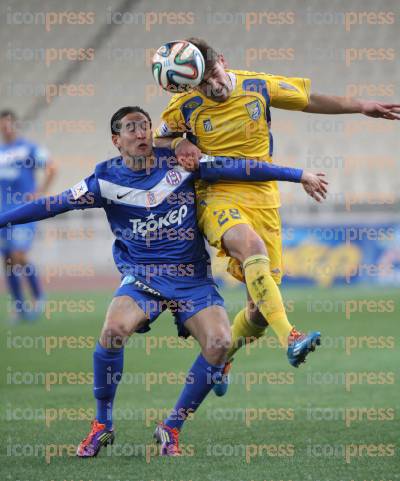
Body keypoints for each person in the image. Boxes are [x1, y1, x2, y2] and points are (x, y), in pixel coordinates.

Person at [0, 106, 327, 456]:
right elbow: (53, 203)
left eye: (144, 126)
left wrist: (299, 174)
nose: (141, 133)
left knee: (219, 342)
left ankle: (171, 427)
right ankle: (101, 425)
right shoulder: (104, 181)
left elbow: (240, 166)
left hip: (191, 278)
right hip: (144, 277)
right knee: (112, 332)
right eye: (131, 128)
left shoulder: (182, 163)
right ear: (116, 140)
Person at [153, 37, 400, 395]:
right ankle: (292, 338)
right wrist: (179, 143)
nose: (214, 86)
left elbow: (309, 100)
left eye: (216, 75)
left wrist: (361, 105)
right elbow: (161, 138)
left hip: (264, 195)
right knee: (250, 246)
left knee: (256, 315)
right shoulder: (183, 105)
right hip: (217, 193)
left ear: (223, 60)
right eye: (204, 84)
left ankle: (220, 358)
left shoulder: (257, 85)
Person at [0, 110, 56, 321]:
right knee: (7, 261)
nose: (6, 128)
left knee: (19, 256)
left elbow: (52, 167)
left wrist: (40, 192)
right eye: (2, 125)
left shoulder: (28, 148)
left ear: (15, 125)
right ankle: (20, 307)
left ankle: (38, 297)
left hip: (23, 212)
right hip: (2, 213)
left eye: (8, 124)